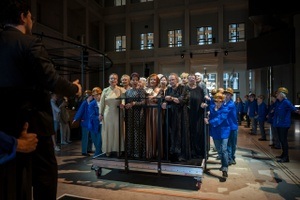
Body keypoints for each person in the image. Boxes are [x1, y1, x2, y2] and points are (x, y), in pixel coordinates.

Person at [0, 1, 82, 199]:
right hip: (34, 122)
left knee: (15, 179)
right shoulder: (30, 43)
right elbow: (51, 79)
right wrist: (75, 89)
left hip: (5, 124)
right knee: (45, 176)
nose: (32, 22)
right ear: (23, 16)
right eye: (31, 17)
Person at [161, 73, 186, 162]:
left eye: (173, 80)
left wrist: (171, 98)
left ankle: (180, 153)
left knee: (179, 133)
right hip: (170, 114)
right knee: (171, 132)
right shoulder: (168, 89)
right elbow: (165, 100)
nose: (171, 81)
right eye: (170, 80)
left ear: (177, 80)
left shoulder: (182, 88)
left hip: (180, 114)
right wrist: (164, 103)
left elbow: (180, 100)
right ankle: (172, 152)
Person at [100, 73, 126, 157]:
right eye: (111, 78)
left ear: (117, 80)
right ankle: (108, 149)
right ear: (108, 80)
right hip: (107, 113)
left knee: (118, 131)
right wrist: (100, 113)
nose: (113, 80)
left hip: (117, 112)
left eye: (115, 78)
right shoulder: (105, 90)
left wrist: (123, 104)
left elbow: (123, 100)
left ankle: (118, 149)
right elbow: (102, 103)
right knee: (108, 131)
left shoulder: (121, 89)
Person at [205, 92, 230, 177]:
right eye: (216, 101)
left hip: (224, 131)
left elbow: (220, 119)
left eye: (220, 101)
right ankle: (224, 163)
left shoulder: (225, 109)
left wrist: (209, 121)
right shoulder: (212, 108)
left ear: (223, 102)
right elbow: (207, 106)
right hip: (215, 132)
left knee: (224, 149)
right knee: (219, 150)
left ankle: (225, 168)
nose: (218, 103)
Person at [122, 72, 147, 159]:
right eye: (133, 80)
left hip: (138, 113)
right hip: (129, 114)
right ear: (130, 81)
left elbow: (143, 102)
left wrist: (134, 103)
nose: (135, 82)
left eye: (136, 80)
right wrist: (125, 105)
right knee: (129, 132)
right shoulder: (127, 92)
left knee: (137, 132)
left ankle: (138, 152)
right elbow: (125, 102)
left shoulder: (141, 91)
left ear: (138, 81)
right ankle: (130, 151)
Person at [273, 87, 300, 163]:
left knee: (283, 140)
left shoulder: (286, 102)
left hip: (284, 125)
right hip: (278, 124)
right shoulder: (278, 102)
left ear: (281, 95)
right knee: (281, 140)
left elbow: (294, 109)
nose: (276, 95)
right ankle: (283, 154)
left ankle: (286, 157)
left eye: (277, 93)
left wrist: (297, 111)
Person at [72, 90, 94, 156]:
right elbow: (80, 111)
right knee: (85, 137)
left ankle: (89, 149)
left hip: (90, 122)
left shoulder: (92, 103)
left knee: (90, 137)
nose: (92, 97)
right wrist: (75, 118)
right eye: (91, 96)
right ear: (89, 96)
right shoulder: (84, 103)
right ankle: (84, 151)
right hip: (85, 122)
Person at [223, 88, 238, 165]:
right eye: (225, 94)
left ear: (231, 96)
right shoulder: (225, 103)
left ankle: (232, 157)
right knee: (228, 143)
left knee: (232, 143)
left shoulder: (231, 104)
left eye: (228, 95)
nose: (226, 96)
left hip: (232, 126)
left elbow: (224, 112)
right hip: (227, 127)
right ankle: (230, 158)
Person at [88, 87, 103, 158]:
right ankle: (97, 162)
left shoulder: (104, 102)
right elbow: (91, 116)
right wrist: (98, 117)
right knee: (97, 145)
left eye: (97, 95)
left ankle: (96, 161)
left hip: (103, 125)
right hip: (94, 126)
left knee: (99, 143)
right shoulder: (91, 104)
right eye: (94, 95)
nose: (96, 97)